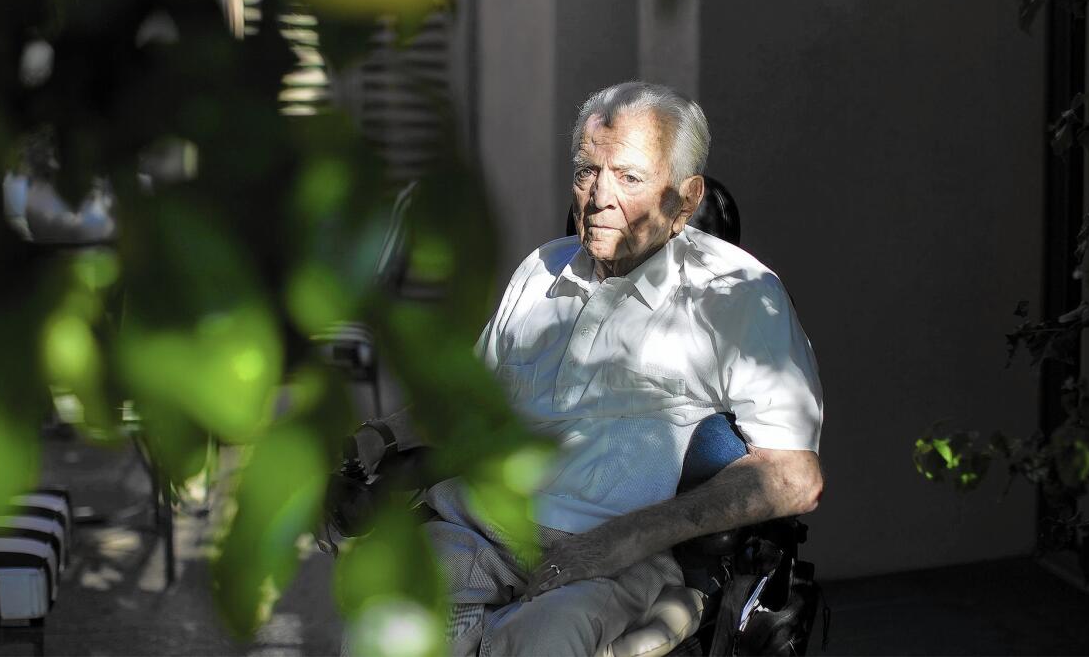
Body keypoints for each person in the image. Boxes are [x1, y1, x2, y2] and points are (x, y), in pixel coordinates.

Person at [350, 81, 824, 656]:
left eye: (628, 178)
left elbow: (793, 477)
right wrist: (380, 435)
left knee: (544, 642)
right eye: (585, 172)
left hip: (613, 559)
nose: (598, 197)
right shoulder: (540, 270)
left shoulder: (738, 296)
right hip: (477, 532)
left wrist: (626, 540)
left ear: (685, 199)